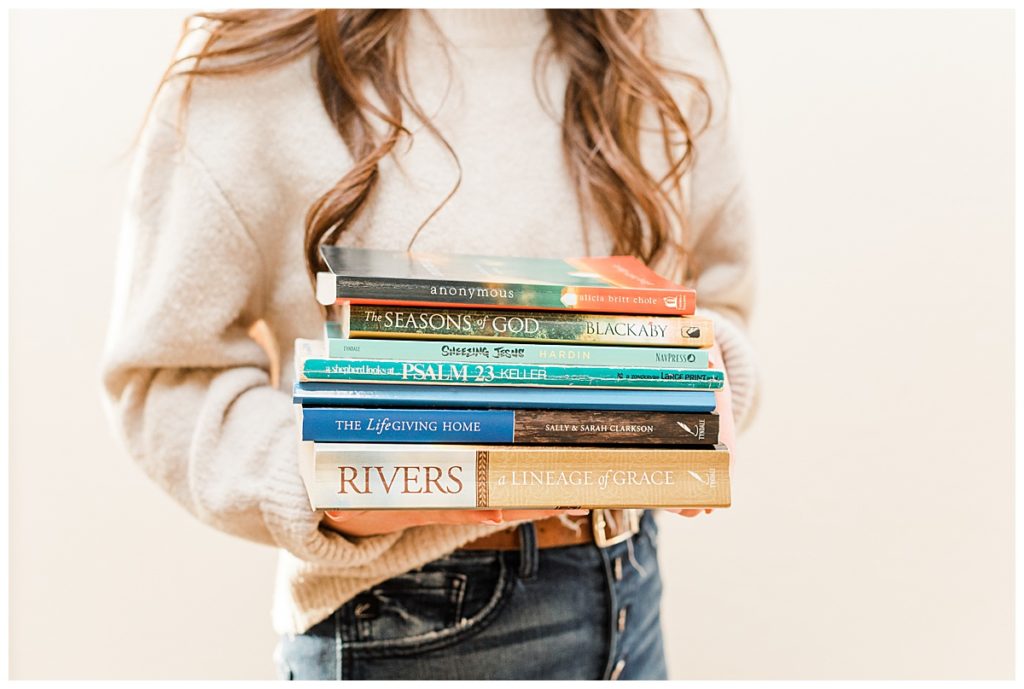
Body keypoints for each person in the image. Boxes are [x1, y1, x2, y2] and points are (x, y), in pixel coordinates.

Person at [101, 8, 759, 681]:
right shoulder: (259, 53)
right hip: (402, 615)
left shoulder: (659, 35)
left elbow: (718, 296)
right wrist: (324, 483)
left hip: (630, 588)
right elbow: (165, 375)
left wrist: (702, 378)